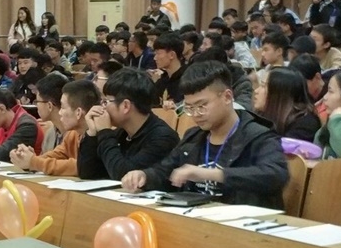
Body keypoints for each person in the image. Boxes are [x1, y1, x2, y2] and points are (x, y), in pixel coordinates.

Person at [122, 61, 288, 208]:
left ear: (227, 97)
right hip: (197, 219)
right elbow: (165, 171)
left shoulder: (258, 135)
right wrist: (144, 176)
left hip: (241, 223)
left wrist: (213, 174)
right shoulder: (194, 137)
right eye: (189, 108)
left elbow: (276, 175)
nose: (196, 114)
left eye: (202, 106)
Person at [77, 68, 179, 180]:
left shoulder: (163, 138)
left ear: (125, 106)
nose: (102, 107)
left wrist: (105, 132)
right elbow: (87, 173)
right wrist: (92, 133)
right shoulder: (122, 133)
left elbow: (123, 175)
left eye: (106, 101)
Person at [10, 77, 96, 177]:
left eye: (63, 107)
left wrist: (33, 162)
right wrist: (27, 158)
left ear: (78, 112)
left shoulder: (98, 134)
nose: (60, 112)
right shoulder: (73, 134)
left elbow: (80, 166)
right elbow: (57, 155)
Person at [254, 67, 320, 141]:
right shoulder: (261, 114)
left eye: (263, 86)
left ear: (278, 94)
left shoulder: (304, 124)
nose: (256, 91)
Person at [151, 32, 186, 107]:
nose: (155, 58)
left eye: (158, 53)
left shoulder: (187, 79)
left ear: (172, 55)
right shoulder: (162, 80)